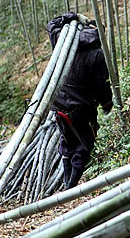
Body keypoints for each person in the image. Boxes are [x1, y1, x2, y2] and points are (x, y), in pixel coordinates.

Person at [47, 12, 113, 188]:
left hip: (58, 104)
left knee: (67, 141)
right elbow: (102, 84)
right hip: (81, 107)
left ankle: (68, 184)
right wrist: (107, 103)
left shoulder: (61, 41)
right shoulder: (97, 53)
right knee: (84, 144)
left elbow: (52, 23)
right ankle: (71, 186)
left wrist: (72, 16)